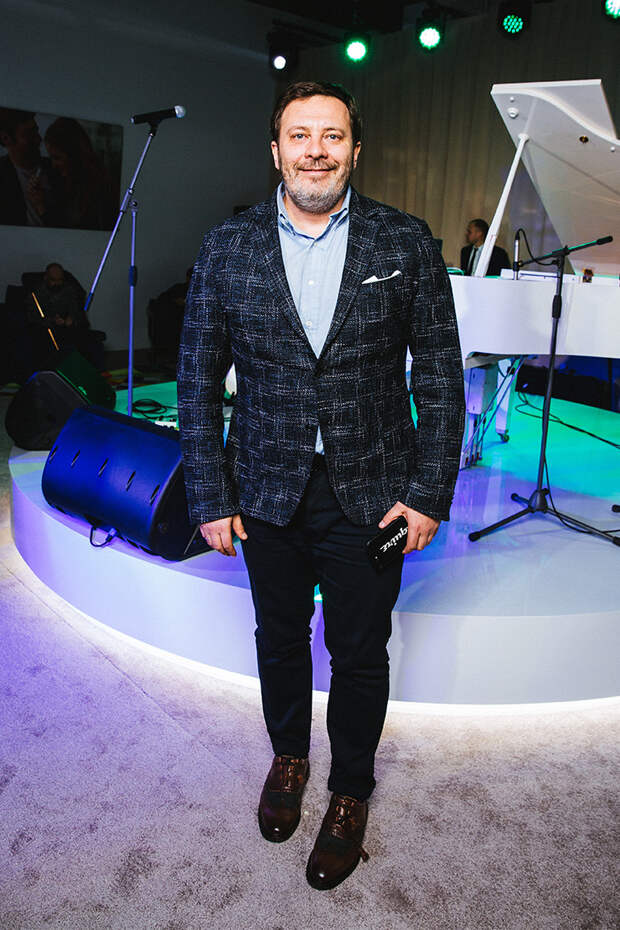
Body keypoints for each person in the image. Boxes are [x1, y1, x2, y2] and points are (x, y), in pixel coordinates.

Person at [177, 81, 465, 891]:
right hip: (264, 491)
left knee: (359, 649)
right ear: (275, 151)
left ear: (354, 150)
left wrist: (428, 493)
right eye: (300, 136)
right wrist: (210, 496)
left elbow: (440, 377)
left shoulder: (404, 241)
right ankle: (290, 758)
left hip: (373, 496)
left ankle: (350, 791)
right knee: (278, 637)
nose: (316, 151)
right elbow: (196, 379)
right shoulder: (227, 246)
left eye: (332, 136)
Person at [43, 117, 116, 230]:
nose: (54, 165)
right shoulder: (61, 181)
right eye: (51, 157)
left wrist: (42, 209)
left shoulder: (99, 187)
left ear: (74, 155)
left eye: (57, 158)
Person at [0, 108, 60, 227]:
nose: (39, 139)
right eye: (29, 134)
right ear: (6, 139)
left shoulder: (56, 168)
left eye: (36, 131)